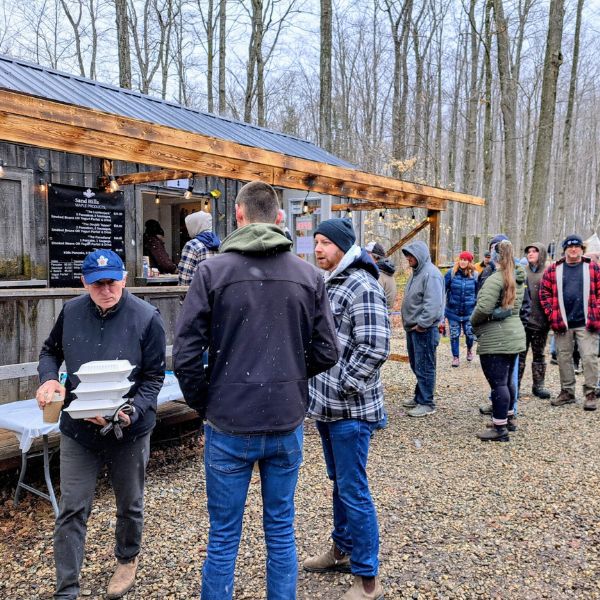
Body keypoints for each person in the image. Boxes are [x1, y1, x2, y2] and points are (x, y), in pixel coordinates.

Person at [173, 181, 339, 600]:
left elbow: (186, 355)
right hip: (284, 421)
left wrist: (205, 400)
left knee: (224, 536)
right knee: (281, 530)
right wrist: (291, 376)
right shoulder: (308, 275)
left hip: (229, 422)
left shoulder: (212, 272)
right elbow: (327, 350)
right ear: (280, 219)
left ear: (239, 216)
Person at [36, 249, 166, 599]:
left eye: (112, 282)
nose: (106, 290)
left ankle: (127, 559)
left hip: (128, 429)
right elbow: (50, 351)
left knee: (130, 502)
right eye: (97, 285)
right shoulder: (72, 311)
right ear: (84, 283)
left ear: (124, 279)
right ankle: (66, 588)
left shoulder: (146, 317)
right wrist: (49, 378)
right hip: (79, 428)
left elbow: (154, 377)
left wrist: (134, 410)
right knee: (73, 506)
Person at [304, 218, 390, 600]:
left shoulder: (361, 284)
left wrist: (344, 385)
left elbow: (375, 345)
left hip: (350, 413)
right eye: (316, 241)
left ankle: (367, 578)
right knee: (340, 483)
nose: (318, 249)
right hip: (327, 409)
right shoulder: (330, 280)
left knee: (353, 489)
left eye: (324, 243)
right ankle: (341, 550)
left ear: (343, 246)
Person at [470, 240, 526, 441]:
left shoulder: (496, 279)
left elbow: (483, 308)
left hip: (497, 338)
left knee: (498, 384)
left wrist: (473, 321)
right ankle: (507, 419)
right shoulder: (517, 277)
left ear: (495, 257)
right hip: (514, 335)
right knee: (507, 380)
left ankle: (499, 429)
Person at [540, 234, 600, 411]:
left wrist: (596, 311)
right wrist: (552, 313)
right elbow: (544, 294)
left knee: (589, 358)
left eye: (577, 247)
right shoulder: (554, 269)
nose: (573, 250)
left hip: (587, 322)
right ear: (565, 249)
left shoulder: (593, 268)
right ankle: (567, 392)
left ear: (582, 249)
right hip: (562, 322)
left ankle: (590, 393)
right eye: (569, 247)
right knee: (563, 357)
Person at [400, 240, 445, 417]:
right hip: (414, 328)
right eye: (407, 255)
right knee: (417, 364)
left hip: (424, 330)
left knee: (425, 366)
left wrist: (422, 324)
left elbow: (433, 304)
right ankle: (420, 396)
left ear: (419, 255)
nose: (408, 258)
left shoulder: (430, 274)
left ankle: (427, 402)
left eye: (410, 255)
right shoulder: (417, 273)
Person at [517, 242, 551, 398]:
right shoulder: (522, 272)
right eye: (528, 251)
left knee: (539, 355)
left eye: (534, 251)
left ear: (541, 254)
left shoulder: (548, 273)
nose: (530, 254)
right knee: (520, 355)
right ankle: (514, 386)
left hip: (541, 322)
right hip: (522, 323)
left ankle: (538, 386)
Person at [444, 251, 477, 367]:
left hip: (469, 312)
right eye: (461, 259)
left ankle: (469, 349)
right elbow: (443, 290)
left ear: (469, 262)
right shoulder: (451, 273)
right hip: (453, 311)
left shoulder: (475, 275)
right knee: (454, 334)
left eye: (465, 260)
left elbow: (478, 293)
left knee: (469, 334)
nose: (463, 262)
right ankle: (455, 357)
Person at [178, 211, 221, 286]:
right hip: (216, 294)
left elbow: (185, 278)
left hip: (198, 293)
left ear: (195, 226)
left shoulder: (192, 245)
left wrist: (183, 296)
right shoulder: (221, 243)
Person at [366, 241, 398, 312]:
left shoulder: (378, 274)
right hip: (384, 313)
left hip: (380, 315)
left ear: (375, 256)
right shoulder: (384, 270)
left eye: (368, 254)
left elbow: (373, 299)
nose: (365, 256)